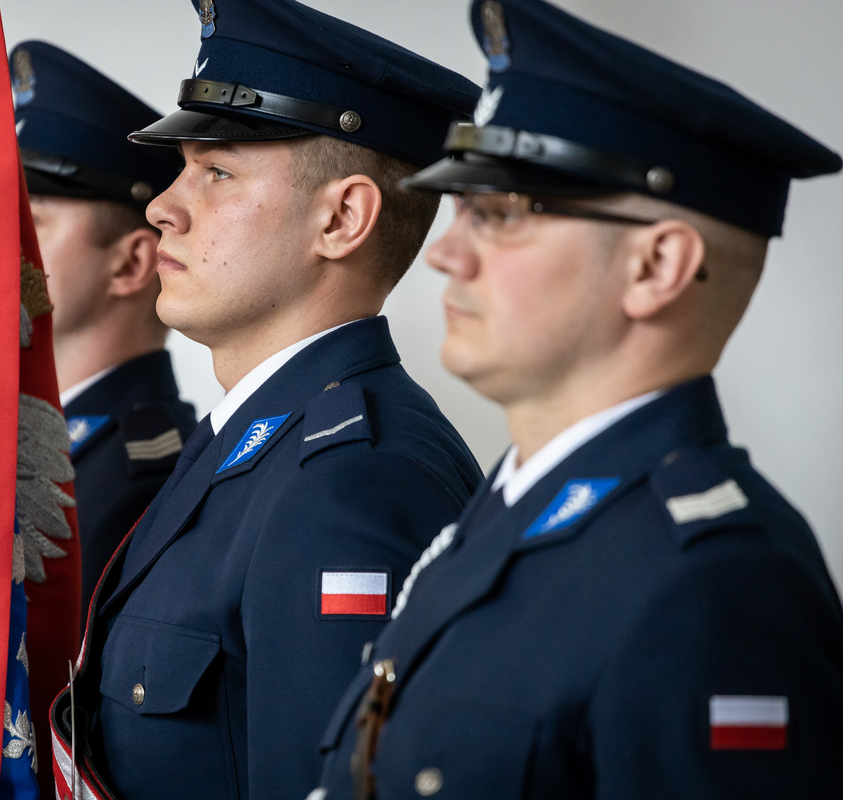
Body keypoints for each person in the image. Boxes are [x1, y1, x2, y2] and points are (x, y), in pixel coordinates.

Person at [314, 1, 843, 797]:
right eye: (460, 211)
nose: (446, 255)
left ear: (655, 268)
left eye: (498, 216)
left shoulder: (717, 585)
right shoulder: (508, 511)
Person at [48, 2, 484, 799]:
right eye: (181, 167)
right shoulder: (251, 445)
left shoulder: (351, 482)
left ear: (343, 217)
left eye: (217, 172)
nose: (161, 207)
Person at [10, 41, 197, 626]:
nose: (0, 246)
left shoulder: (144, 485)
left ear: (131, 265)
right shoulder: (26, 443)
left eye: (33, 225)